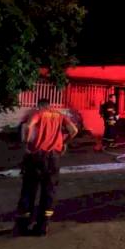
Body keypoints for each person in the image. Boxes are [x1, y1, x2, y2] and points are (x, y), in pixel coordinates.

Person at [13, 98, 78, 236]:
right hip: (54, 158)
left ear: (40, 105)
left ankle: (24, 224)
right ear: (50, 105)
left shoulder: (38, 113)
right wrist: (64, 142)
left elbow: (28, 126)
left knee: (29, 189)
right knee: (49, 191)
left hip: (37, 156)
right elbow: (74, 130)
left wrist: (27, 145)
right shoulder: (59, 115)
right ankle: (43, 225)